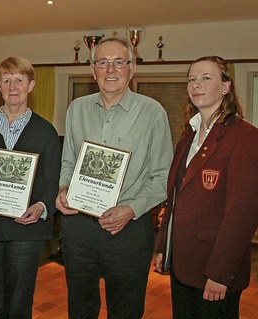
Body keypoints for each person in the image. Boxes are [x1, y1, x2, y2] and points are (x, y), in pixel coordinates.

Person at [54, 37, 173, 318]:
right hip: (79, 229)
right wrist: (63, 189)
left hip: (129, 231)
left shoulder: (152, 112)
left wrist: (130, 209)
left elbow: (162, 176)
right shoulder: (77, 109)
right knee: (80, 308)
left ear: (132, 69)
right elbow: (68, 160)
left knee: (126, 310)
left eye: (119, 62)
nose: (111, 69)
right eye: (102, 62)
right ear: (92, 69)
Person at [154, 56, 258, 319]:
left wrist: (221, 273)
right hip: (182, 264)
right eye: (191, 79)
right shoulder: (188, 135)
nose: (196, 84)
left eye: (206, 78)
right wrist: (163, 246)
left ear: (226, 87)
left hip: (214, 270)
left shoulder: (245, 138)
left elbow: (242, 214)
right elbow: (175, 198)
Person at [0, 57, 60, 319]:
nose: (13, 87)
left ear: (31, 85)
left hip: (26, 231)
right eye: (7, 80)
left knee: (19, 305)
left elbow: (52, 178)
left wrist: (42, 206)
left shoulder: (46, 132)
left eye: (19, 80)